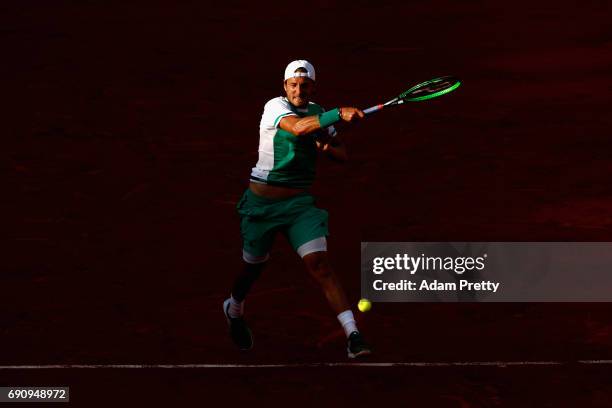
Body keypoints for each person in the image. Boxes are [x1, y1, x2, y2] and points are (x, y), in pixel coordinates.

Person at [223, 60, 371, 358]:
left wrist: (326, 145)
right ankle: (234, 308)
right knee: (254, 267)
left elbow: (342, 153)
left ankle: (353, 335)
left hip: (298, 206)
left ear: (312, 87)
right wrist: (338, 114)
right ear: (285, 86)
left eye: (304, 86)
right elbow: (299, 127)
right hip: (261, 206)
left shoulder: (319, 113)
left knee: (319, 263)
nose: (298, 90)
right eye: (293, 85)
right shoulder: (274, 107)